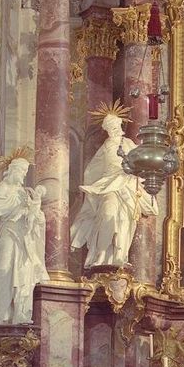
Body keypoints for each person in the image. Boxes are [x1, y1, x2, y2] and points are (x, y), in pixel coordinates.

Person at [70, 103, 158, 268]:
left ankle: (120, 255)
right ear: (107, 129)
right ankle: (101, 254)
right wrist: (97, 183)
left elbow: (141, 164)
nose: (115, 128)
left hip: (127, 186)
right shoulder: (105, 147)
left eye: (117, 125)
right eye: (111, 126)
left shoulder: (129, 144)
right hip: (109, 185)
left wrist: (132, 171)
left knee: (125, 220)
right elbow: (92, 171)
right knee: (107, 215)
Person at [0, 153, 48, 324]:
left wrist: (35, 207)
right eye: (20, 171)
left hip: (24, 239)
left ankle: (20, 312)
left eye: (24, 172)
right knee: (2, 270)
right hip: (7, 234)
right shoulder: (2, 189)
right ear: (12, 170)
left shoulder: (25, 194)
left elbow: (37, 220)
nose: (22, 175)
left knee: (23, 274)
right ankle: (2, 312)